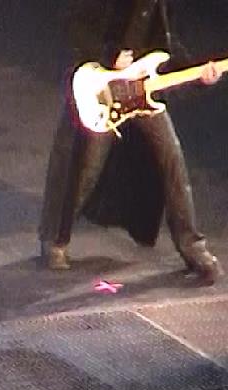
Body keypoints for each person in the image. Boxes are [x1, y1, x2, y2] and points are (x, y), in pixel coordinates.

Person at [38, 0, 223, 284]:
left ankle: (193, 247)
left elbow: (166, 45)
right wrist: (108, 56)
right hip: (102, 87)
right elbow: (75, 23)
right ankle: (55, 238)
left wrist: (199, 75)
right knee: (85, 169)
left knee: (172, 160)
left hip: (141, 89)